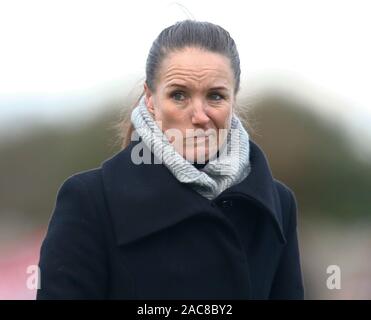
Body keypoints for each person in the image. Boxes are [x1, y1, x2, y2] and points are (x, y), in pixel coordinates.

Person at [37, 19, 304, 299]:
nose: (199, 116)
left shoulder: (277, 205)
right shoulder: (90, 201)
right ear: (151, 99)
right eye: (179, 95)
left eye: (215, 96)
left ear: (233, 101)